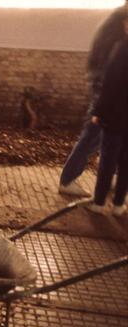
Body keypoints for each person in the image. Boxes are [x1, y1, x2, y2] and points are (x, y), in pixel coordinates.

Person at [59, 6, 128, 197]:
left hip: (104, 80)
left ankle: (112, 176)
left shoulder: (115, 19)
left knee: (108, 133)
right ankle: (67, 179)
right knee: (95, 133)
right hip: (107, 83)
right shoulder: (120, 22)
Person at [86, 36, 128, 216]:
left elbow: (110, 83)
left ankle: (99, 202)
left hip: (116, 115)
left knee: (108, 160)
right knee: (126, 162)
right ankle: (119, 204)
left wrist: (98, 111)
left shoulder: (122, 48)